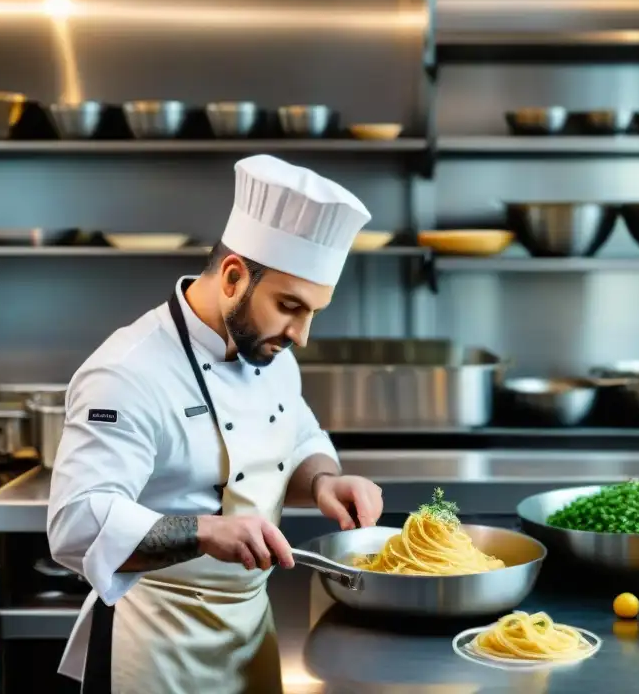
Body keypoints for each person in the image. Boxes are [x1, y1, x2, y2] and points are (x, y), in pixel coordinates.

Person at [47, 154, 385, 693]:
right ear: (233, 277)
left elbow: (296, 437)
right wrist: (206, 533)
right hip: (155, 642)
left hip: (249, 633)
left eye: (314, 312)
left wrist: (324, 480)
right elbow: (75, 524)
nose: (301, 334)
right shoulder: (128, 372)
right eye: (290, 306)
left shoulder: (271, 352)